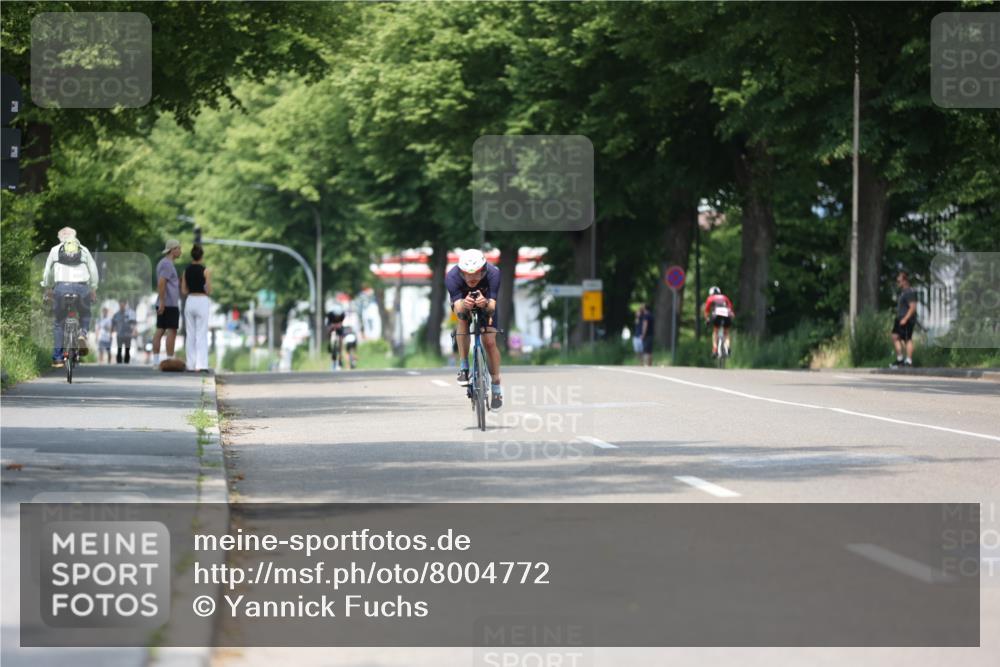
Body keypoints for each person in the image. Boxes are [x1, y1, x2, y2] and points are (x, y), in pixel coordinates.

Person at [446, 248, 503, 409]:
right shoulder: (452, 277)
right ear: (461, 272)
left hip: (486, 303)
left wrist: (485, 303)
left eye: (476, 273)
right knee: (463, 321)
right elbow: (459, 310)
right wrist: (465, 305)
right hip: (463, 304)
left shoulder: (494, 273)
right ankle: (464, 367)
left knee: (489, 341)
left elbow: (492, 307)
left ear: (483, 269)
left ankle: (496, 385)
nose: (472, 278)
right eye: (467, 274)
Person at [40, 227, 99, 368]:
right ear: (75, 236)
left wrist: (47, 287)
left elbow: (47, 272)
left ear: (60, 238)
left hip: (61, 288)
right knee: (85, 313)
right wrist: (93, 288)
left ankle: (58, 358)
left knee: (58, 323)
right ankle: (82, 334)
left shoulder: (55, 250)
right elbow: (93, 270)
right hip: (81, 288)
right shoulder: (83, 250)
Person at [181, 244, 212, 372]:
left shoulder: (186, 271)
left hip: (190, 301)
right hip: (202, 301)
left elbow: (183, 290)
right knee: (201, 334)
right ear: (201, 256)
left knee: (190, 334)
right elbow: (208, 290)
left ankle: (190, 364)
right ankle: (201, 365)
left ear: (192, 256)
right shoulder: (206, 271)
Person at [152, 239, 182, 365]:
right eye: (178, 248)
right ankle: (169, 359)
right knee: (171, 330)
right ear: (172, 250)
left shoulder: (166, 263)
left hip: (167, 302)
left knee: (161, 329)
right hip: (168, 303)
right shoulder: (167, 264)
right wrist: (162, 302)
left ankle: (156, 361)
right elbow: (161, 282)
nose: (180, 251)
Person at [890, 270, 917, 368]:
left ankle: (909, 361)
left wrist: (905, 318)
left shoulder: (909, 292)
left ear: (905, 281)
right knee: (895, 336)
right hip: (900, 319)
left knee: (907, 339)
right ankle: (900, 360)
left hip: (907, 319)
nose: (898, 283)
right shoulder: (903, 292)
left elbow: (913, 307)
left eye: (899, 281)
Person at [703, 286, 735, 357]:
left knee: (715, 332)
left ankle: (714, 350)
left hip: (717, 316)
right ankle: (728, 347)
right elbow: (730, 308)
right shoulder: (725, 297)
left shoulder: (710, 298)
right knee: (726, 333)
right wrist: (732, 316)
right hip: (727, 315)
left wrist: (707, 319)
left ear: (711, 293)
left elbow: (706, 310)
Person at [111, 299, 136, 364]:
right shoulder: (116, 314)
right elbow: (113, 324)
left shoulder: (130, 314)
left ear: (125, 305)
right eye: (120, 305)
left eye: (123, 305)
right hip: (119, 335)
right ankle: (119, 363)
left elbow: (133, 323)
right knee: (119, 349)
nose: (122, 306)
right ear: (119, 305)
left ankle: (126, 363)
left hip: (128, 335)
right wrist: (111, 332)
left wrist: (134, 331)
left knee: (127, 350)